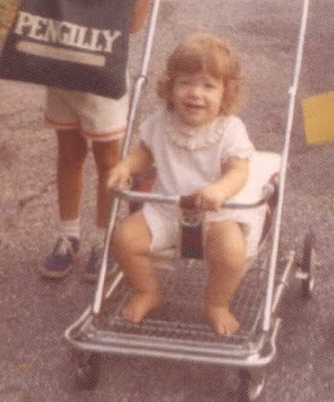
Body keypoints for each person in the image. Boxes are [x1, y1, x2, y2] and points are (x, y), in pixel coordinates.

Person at [26, 0, 159, 281]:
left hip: (101, 78)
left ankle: (105, 240)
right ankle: (68, 236)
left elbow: (133, 25)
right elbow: (38, 15)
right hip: (62, 71)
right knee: (68, 154)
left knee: (108, 161)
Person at [105, 33, 263, 336]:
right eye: (185, 83)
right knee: (124, 239)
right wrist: (126, 166)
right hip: (167, 207)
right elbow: (144, 152)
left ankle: (217, 303)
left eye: (208, 86)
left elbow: (238, 170)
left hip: (217, 214)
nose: (195, 94)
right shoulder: (161, 122)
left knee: (231, 253)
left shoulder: (229, 129)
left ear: (226, 94)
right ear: (170, 87)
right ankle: (147, 291)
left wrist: (220, 189)